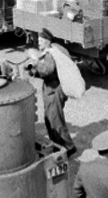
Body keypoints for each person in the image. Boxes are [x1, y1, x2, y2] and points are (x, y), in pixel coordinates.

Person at [26, 28, 76, 157]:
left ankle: (68, 147)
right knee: (51, 118)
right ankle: (57, 145)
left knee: (54, 119)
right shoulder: (57, 48)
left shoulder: (50, 54)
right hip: (59, 87)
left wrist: (35, 64)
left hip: (54, 89)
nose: (38, 43)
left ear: (47, 41)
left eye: (41, 41)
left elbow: (47, 71)